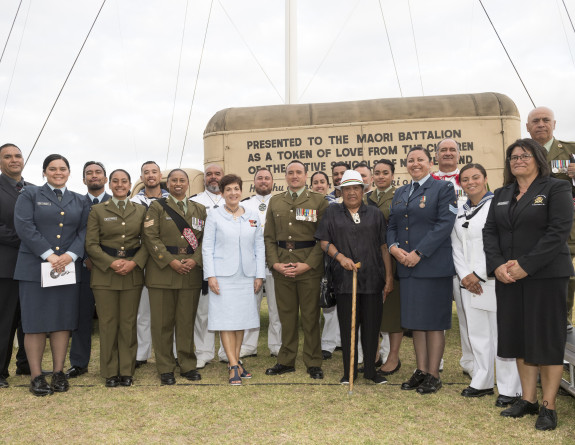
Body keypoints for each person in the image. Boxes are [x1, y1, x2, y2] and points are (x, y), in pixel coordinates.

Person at [483, 139, 574, 431]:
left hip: (545, 276)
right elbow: (490, 232)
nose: (518, 160)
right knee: (520, 338)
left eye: (524, 155)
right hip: (508, 277)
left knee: (546, 339)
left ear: (538, 158)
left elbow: (558, 232)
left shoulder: (557, 188)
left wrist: (525, 265)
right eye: (513, 157)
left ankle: (548, 406)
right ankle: (528, 398)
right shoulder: (502, 193)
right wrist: (498, 265)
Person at [14, 154, 89, 396]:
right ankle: (36, 377)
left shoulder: (79, 200)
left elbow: (86, 230)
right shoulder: (30, 194)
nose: (58, 172)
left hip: (66, 268)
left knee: (62, 321)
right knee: (34, 324)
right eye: (53, 169)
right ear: (44, 172)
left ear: (69, 172)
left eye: (63, 169)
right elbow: (24, 225)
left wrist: (71, 255)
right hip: (34, 268)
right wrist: (48, 254)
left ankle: (58, 373)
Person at [387, 146, 457, 394]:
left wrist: (419, 253)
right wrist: (394, 248)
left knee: (434, 322)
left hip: (432, 265)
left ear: (430, 163)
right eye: (410, 160)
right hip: (406, 266)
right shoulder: (401, 192)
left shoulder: (443, 188)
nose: (415, 163)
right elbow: (392, 224)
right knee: (416, 322)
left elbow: (444, 224)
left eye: (420, 160)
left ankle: (434, 374)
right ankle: (421, 370)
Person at [450, 163, 521, 406]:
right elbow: (456, 245)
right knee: (477, 333)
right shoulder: (461, 210)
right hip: (467, 283)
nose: (471, 182)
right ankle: (482, 380)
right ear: (460, 183)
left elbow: (499, 244)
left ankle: (510, 387)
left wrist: (478, 274)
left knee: (501, 334)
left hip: (491, 279)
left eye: (476, 177)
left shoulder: (498, 206)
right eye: (466, 179)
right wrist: (464, 275)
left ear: (485, 178)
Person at [316, 170, 393, 384]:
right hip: (344, 280)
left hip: (372, 279)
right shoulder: (332, 212)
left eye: (356, 188)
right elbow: (324, 241)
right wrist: (340, 258)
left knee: (371, 326)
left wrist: (388, 277)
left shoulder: (375, 214)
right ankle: (348, 371)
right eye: (347, 189)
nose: (352, 193)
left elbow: (383, 247)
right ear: (341, 191)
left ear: (363, 190)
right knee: (347, 327)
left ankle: (370, 370)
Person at [264, 160, 328, 379]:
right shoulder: (275, 201)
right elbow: (269, 237)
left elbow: (323, 238)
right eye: (290, 173)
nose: (294, 176)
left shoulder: (319, 201)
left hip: (308, 266)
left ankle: (313, 361)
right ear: (285, 176)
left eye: (298, 172)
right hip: (283, 265)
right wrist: (274, 264)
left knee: (311, 317)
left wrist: (308, 264)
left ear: (305, 175)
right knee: (287, 316)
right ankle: (286, 360)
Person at [85, 169, 148, 387]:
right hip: (105, 274)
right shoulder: (97, 210)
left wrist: (134, 263)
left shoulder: (141, 210)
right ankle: (110, 371)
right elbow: (91, 244)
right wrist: (110, 262)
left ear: (130, 184)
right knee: (108, 323)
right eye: (115, 181)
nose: (120, 185)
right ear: (109, 184)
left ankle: (126, 370)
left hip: (132, 273)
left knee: (128, 323)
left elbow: (147, 242)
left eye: (124, 181)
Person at [144, 169, 206, 385]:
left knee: (186, 322)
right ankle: (165, 367)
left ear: (188, 184)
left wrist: (195, 260)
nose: (178, 184)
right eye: (174, 181)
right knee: (162, 323)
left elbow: (206, 240)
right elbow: (150, 237)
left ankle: (187, 365)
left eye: (182, 180)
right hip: (163, 271)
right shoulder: (157, 207)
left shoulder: (199, 209)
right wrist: (170, 260)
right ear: (167, 184)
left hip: (190, 272)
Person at [203, 174, 265, 385]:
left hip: (246, 276)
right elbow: (207, 247)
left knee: (240, 321)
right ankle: (232, 365)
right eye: (228, 189)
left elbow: (259, 246)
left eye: (236, 189)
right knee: (226, 322)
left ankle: (236, 361)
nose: (233, 193)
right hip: (222, 276)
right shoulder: (214, 215)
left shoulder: (253, 214)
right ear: (222, 193)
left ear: (241, 190)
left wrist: (259, 274)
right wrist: (210, 275)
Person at [526, 106, 575, 333]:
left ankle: (561, 323)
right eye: (536, 121)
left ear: (554, 124)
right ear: (528, 127)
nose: (541, 124)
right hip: (532, 228)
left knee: (566, 277)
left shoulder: (571, 151)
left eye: (546, 120)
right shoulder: (520, 154)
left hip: (565, 229)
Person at [66, 161, 111, 379]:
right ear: (83, 179)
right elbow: (70, 235)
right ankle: (79, 362)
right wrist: (85, 257)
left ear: (105, 178)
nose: (94, 176)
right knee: (81, 317)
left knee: (111, 319)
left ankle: (112, 361)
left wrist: (103, 261)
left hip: (111, 270)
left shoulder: (118, 202)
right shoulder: (74, 203)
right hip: (81, 269)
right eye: (89, 173)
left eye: (98, 172)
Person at [432, 138, 470, 376]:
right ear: (436, 156)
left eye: (452, 150)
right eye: (443, 150)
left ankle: (471, 362)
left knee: (468, 314)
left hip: (465, 256)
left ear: (459, 155)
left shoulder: (469, 179)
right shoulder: (429, 181)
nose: (447, 153)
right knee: (437, 312)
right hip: (437, 254)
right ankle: (436, 360)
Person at [130, 161, 170, 368]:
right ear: (142, 177)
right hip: (141, 258)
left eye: (154, 171)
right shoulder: (133, 202)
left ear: (160, 174)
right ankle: (141, 354)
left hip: (165, 260)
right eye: (146, 172)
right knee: (143, 311)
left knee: (167, 311)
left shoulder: (172, 199)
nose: (151, 175)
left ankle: (170, 353)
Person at [239, 168, 282, 358]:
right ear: (253, 182)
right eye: (259, 178)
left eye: (267, 178)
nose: (263, 181)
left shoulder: (280, 203)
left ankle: (277, 346)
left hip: (274, 262)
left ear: (273, 182)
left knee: (276, 308)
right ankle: (248, 346)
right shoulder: (243, 205)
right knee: (249, 307)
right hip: (251, 264)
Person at [0, 143, 31, 388]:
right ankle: (0, 371)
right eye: (7, 156)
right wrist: (29, 241)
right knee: (5, 320)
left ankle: (26, 365)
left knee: (29, 319)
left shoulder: (34, 190)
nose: (14, 160)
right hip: (6, 266)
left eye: (17, 155)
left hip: (33, 267)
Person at [370, 159, 403, 376]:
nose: (381, 176)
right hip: (371, 260)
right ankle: (374, 353)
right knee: (372, 310)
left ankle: (393, 357)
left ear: (393, 175)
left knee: (393, 312)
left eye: (385, 172)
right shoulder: (366, 198)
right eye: (377, 173)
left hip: (394, 259)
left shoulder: (400, 196)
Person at [190, 164, 224, 369]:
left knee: (227, 310)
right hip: (204, 262)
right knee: (203, 312)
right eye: (208, 175)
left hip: (229, 264)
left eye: (217, 174)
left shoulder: (233, 199)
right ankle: (203, 352)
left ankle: (227, 352)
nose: (213, 178)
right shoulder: (194, 202)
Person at [310, 171, 341, 360]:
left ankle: (335, 342)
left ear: (328, 185)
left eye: (322, 182)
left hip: (332, 257)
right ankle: (325, 344)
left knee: (332, 301)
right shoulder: (306, 204)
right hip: (312, 259)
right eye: (315, 182)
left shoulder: (336, 205)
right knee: (318, 302)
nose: (319, 185)